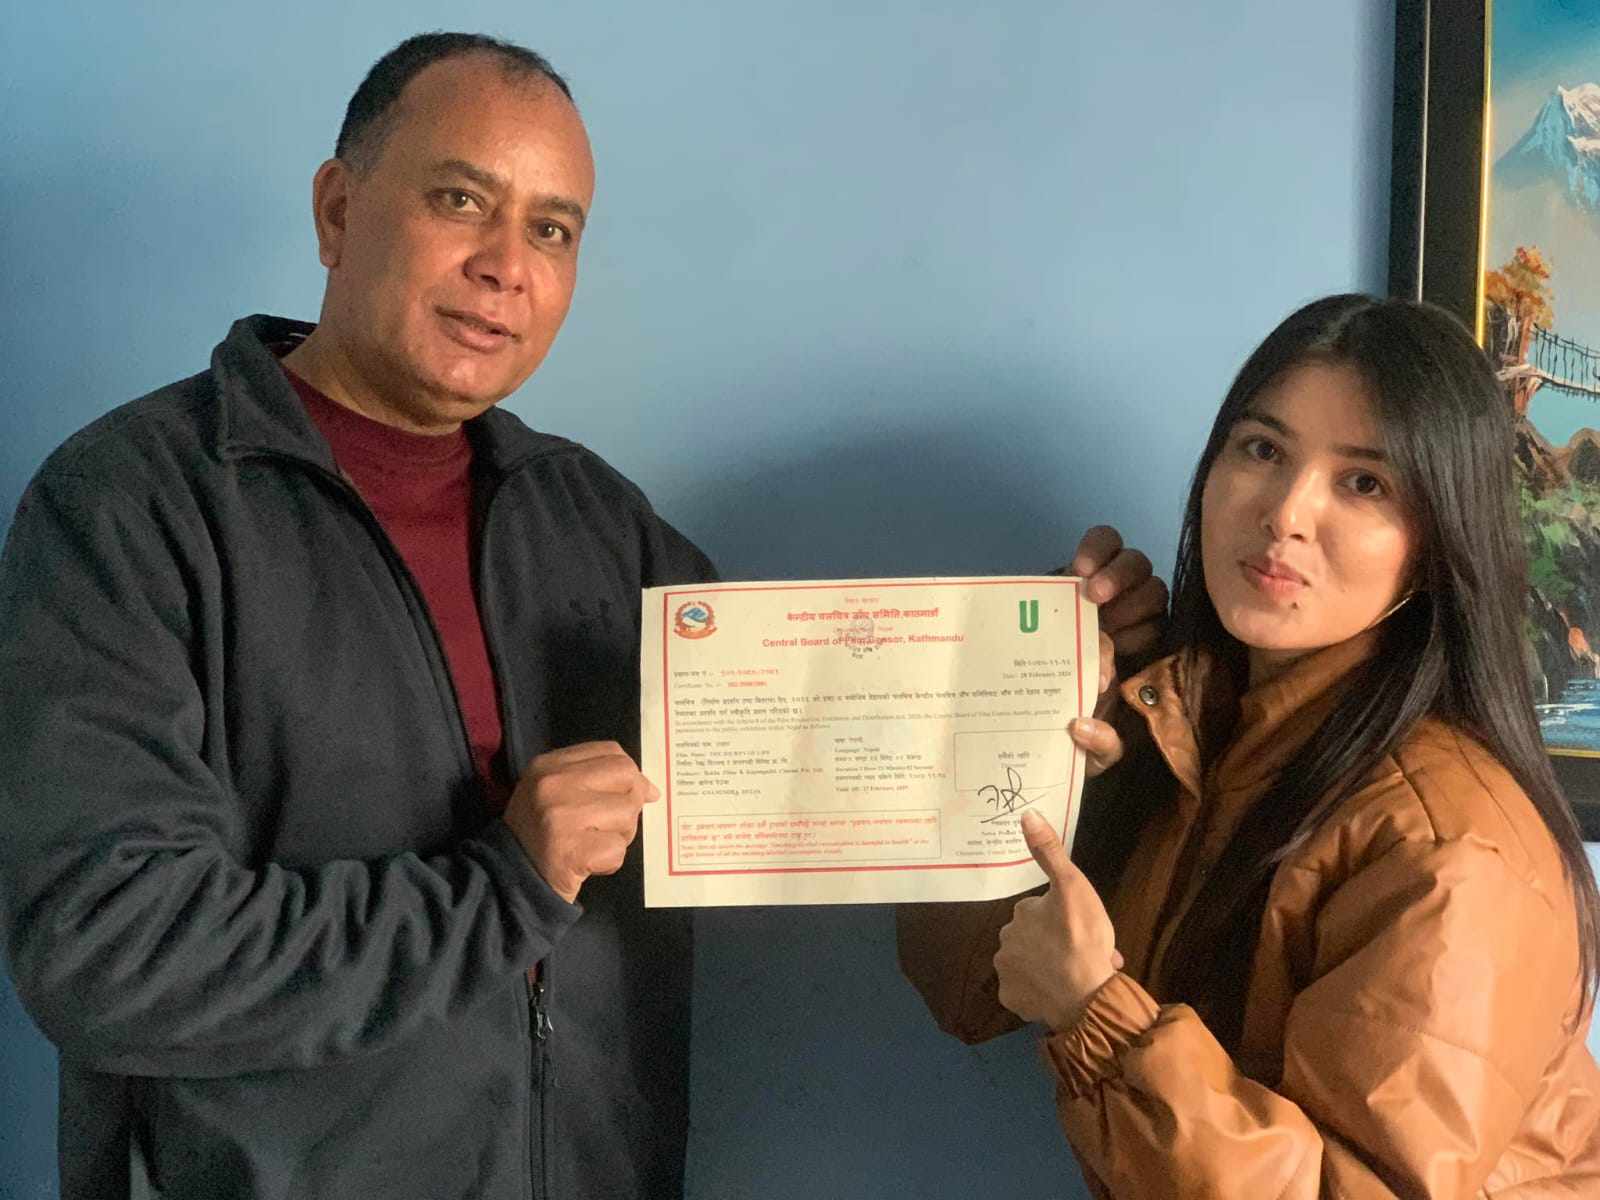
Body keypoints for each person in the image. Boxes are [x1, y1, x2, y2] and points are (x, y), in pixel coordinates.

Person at [0, 33, 715, 1199]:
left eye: (551, 230)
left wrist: (1026, 693)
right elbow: (108, 949)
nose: (505, 265)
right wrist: (502, 887)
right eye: (459, 200)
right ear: (337, 212)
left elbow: (797, 750)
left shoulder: (594, 518)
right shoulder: (130, 505)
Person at [899, 294, 1600, 1197]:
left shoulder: (1450, 848)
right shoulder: (1192, 731)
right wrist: (1032, 714)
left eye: (1365, 483)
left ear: (1435, 545)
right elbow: (966, 992)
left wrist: (1095, 1015)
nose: (1286, 513)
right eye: (1263, 450)